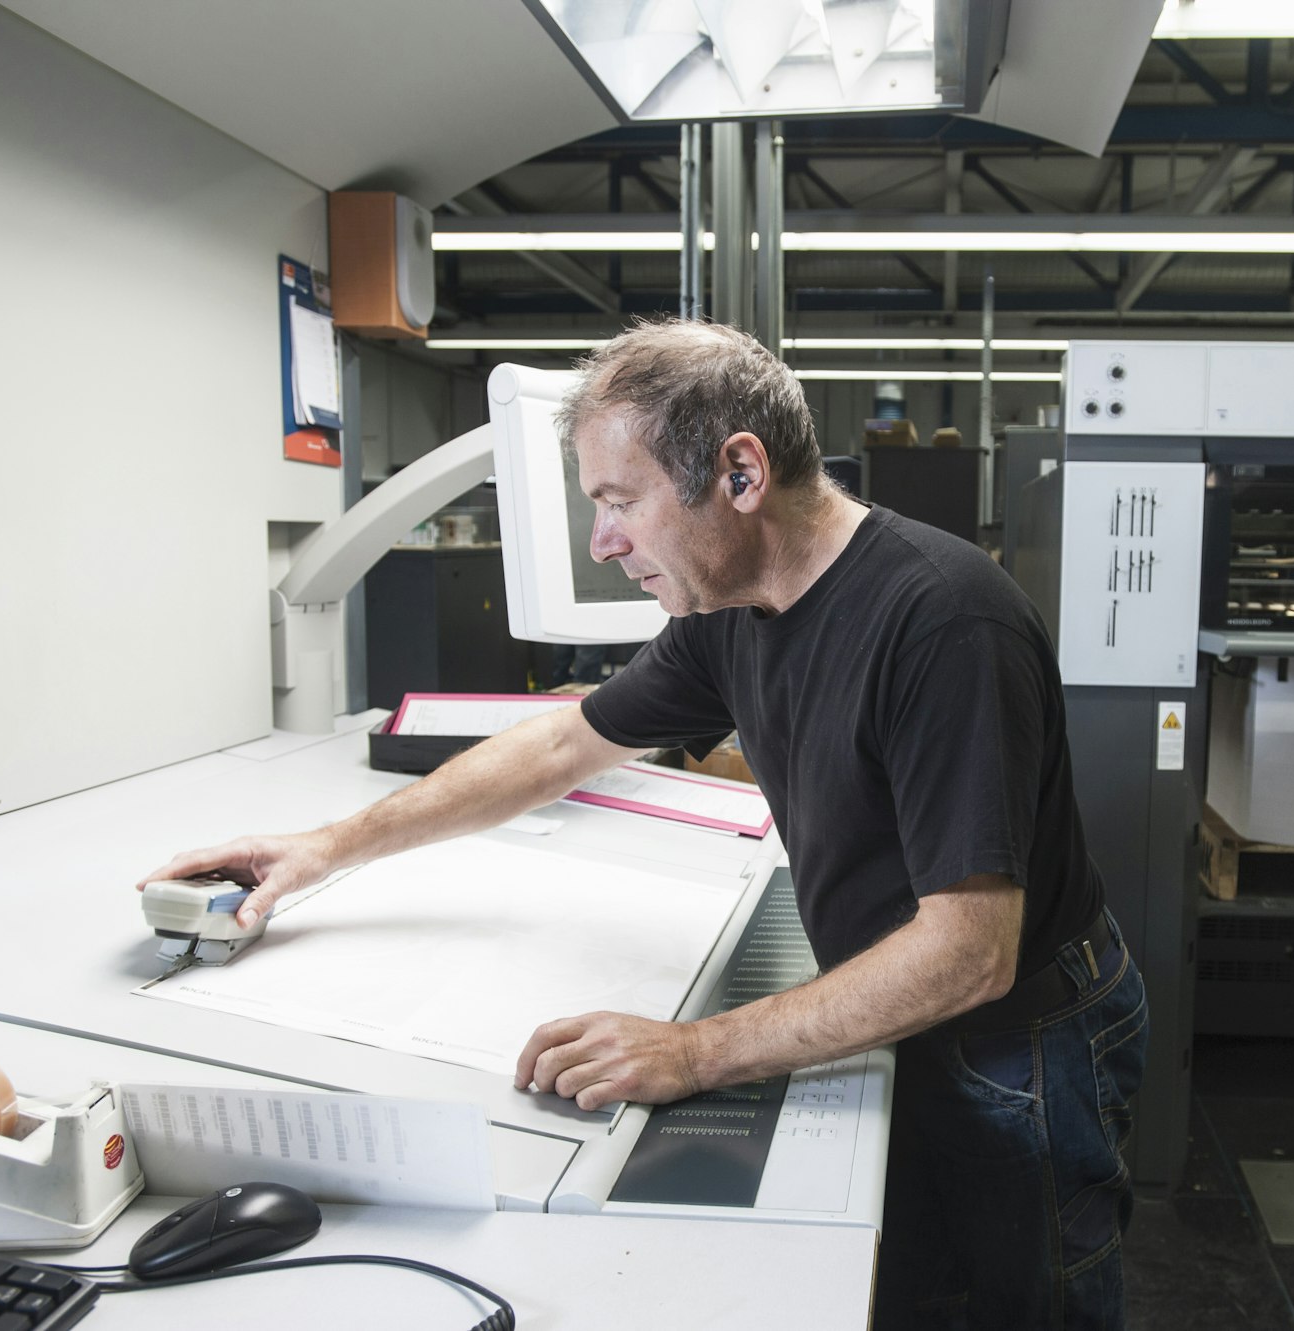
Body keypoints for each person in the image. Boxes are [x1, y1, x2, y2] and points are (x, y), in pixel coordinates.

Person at [138, 319, 1148, 1329]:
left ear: (739, 473)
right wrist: (324, 847)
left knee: (1033, 1302)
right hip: (893, 1005)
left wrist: (694, 1051)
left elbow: (969, 952)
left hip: (1017, 1037)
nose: (602, 540)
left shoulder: (939, 622)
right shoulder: (730, 609)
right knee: (922, 1289)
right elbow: (560, 745)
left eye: (620, 501)